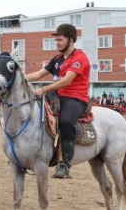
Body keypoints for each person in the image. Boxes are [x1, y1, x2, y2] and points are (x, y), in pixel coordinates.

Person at [25, 23, 91, 179]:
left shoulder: (80, 58)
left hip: (75, 98)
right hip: (57, 95)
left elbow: (66, 81)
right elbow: (38, 75)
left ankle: (65, 164)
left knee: (66, 121)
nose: (57, 43)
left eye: (60, 40)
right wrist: (17, 78)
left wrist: (43, 90)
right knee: (35, 115)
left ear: (71, 40)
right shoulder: (57, 59)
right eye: (56, 41)